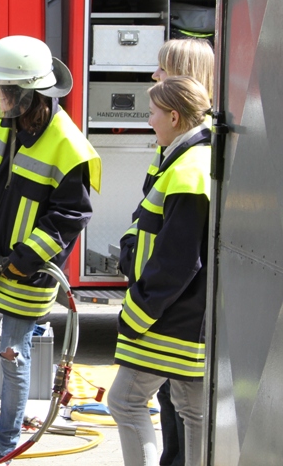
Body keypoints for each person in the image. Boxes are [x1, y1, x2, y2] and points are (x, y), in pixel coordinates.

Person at [0, 36, 101, 466]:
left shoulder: (68, 146)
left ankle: (5, 448)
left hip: (27, 274)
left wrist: (25, 259)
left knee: (13, 357)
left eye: (5, 89)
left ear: (31, 94)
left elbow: (70, 216)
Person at [108, 76, 212, 466]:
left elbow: (177, 261)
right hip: (185, 317)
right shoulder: (189, 158)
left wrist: (137, 314)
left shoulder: (189, 170)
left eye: (152, 113)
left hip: (169, 318)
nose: (149, 121)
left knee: (125, 401)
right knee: (193, 411)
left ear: (174, 116)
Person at [149, 37, 213, 466]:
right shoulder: (176, 142)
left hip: (180, 307)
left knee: (179, 407)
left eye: (163, 70)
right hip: (174, 305)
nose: (155, 76)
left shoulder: (194, 153)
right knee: (172, 402)